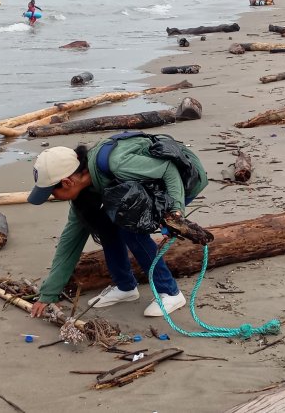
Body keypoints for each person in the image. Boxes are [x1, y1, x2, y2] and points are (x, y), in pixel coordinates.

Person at [25, 134, 209, 319]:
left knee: (131, 229)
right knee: (104, 222)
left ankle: (170, 293)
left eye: (52, 193)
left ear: (67, 182)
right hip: (149, 185)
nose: (53, 197)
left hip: (182, 180)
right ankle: (126, 287)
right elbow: (70, 241)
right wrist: (49, 293)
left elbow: (169, 170)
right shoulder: (85, 192)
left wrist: (176, 212)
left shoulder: (116, 163)